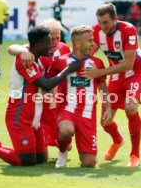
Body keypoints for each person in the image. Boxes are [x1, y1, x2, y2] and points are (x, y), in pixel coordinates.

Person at [0, 26, 81, 166]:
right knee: (27, 160)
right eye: (48, 42)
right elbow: (46, 85)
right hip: (20, 117)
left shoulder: (33, 55)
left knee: (41, 159)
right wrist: (68, 69)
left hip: (34, 118)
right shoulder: (25, 60)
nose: (51, 46)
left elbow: (18, 47)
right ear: (37, 45)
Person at [82, 3, 141, 168]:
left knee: (130, 108)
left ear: (115, 18)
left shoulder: (128, 30)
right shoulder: (96, 31)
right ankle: (117, 141)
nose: (102, 26)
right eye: (100, 22)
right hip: (116, 76)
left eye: (106, 22)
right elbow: (87, 53)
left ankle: (135, 155)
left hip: (135, 73)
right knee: (105, 121)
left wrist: (99, 73)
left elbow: (127, 65)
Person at [47, 25, 112, 168]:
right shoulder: (60, 62)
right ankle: (63, 151)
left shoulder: (97, 63)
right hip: (68, 111)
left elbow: (103, 89)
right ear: (77, 43)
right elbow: (48, 83)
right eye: (89, 40)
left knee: (89, 163)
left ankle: (80, 149)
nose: (93, 44)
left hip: (88, 115)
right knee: (65, 131)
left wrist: (108, 108)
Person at [7, 19, 71, 149]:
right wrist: (22, 51)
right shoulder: (33, 53)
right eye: (51, 39)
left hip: (58, 96)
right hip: (40, 97)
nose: (54, 43)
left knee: (65, 143)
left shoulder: (64, 49)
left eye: (57, 38)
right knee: (42, 136)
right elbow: (11, 48)